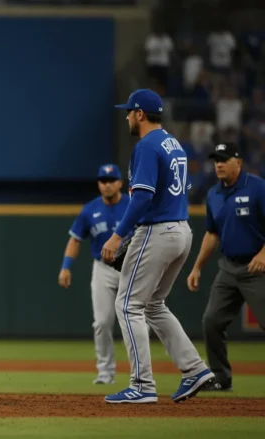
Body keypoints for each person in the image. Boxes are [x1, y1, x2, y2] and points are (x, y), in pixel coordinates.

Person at [101, 89, 214, 404]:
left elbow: (142, 197)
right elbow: (182, 190)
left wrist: (117, 235)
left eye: (129, 111)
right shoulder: (173, 143)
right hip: (182, 230)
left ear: (139, 114)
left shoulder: (147, 145)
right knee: (153, 305)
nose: (126, 116)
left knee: (127, 305)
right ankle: (194, 369)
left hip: (157, 230)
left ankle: (142, 386)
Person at [186, 142, 265, 392]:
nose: (218, 164)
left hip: (257, 267)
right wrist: (197, 266)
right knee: (212, 321)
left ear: (238, 162)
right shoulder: (213, 194)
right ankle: (221, 377)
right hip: (229, 268)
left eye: (224, 158)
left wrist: (264, 254)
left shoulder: (258, 188)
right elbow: (211, 234)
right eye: (216, 159)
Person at [58, 164, 129, 385]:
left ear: (120, 183)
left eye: (111, 180)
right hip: (103, 268)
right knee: (101, 322)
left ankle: (140, 373)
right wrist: (66, 266)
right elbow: (75, 239)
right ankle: (105, 371)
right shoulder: (89, 210)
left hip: (131, 266)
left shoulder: (133, 205)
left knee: (135, 321)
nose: (106, 185)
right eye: (102, 181)